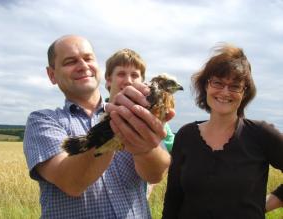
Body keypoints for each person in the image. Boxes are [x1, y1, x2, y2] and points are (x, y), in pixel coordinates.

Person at [23, 35, 172, 218]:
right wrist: (115, 129)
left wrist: (146, 148)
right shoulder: (42, 120)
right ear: (52, 75)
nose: (83, 66)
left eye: (88, 58)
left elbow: (155, 175)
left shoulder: (139, 113)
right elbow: (72, 182)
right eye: (70, 61)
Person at [162, 43, 283, 218]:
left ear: (244, 92)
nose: (225, 92)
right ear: (206, 86)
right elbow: (173, 197)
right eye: (218, 83)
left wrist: (262, 205)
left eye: (235, 86)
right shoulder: (186, 135)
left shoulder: (260, 134)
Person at [104, 48, 175, 199]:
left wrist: (148, 151)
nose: (128, 80)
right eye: (121, 74)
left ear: (143, 82)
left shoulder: (153, 120)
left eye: (135, 75)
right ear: (108, 80)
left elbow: (159, 172)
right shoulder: (93, 117)